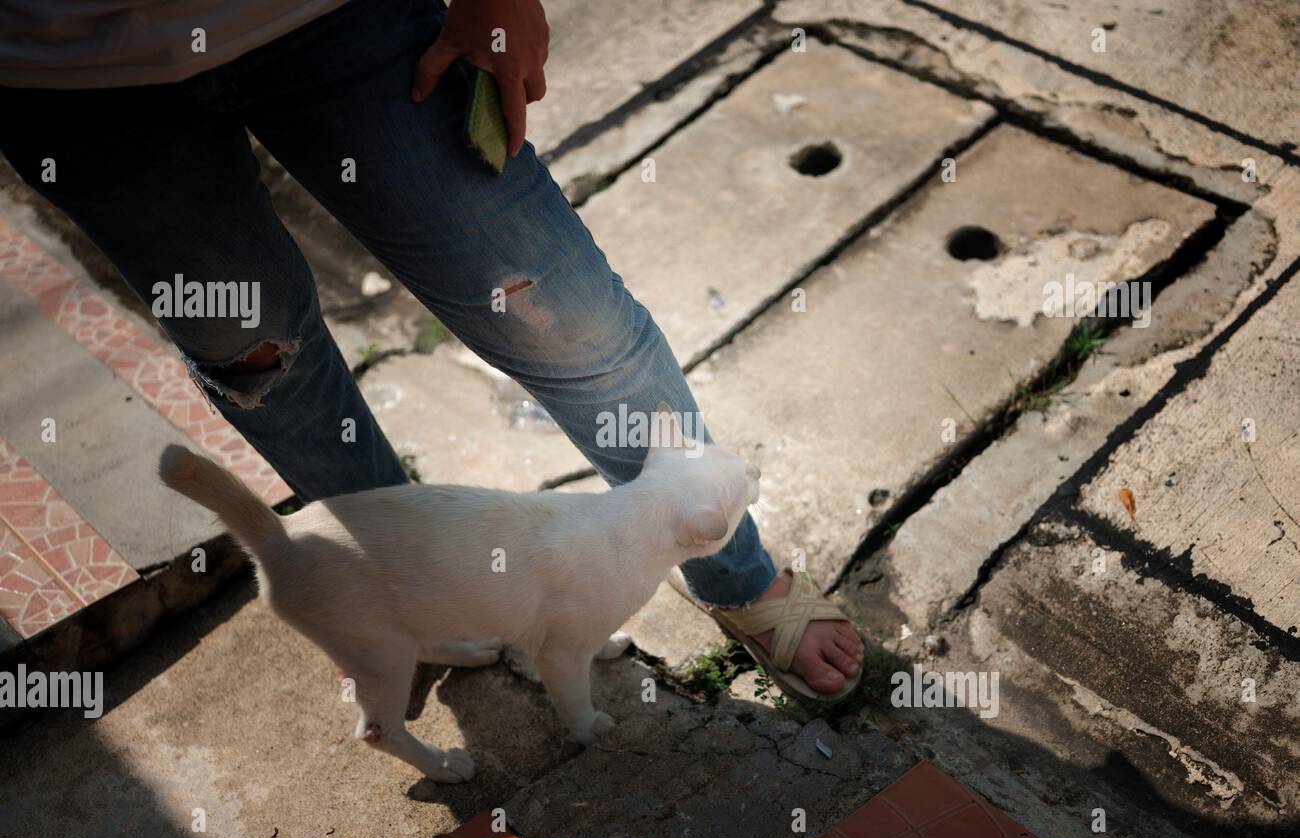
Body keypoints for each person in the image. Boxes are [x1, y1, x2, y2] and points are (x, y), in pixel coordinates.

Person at [0, 0, 864, 700]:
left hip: (337, 18)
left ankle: (737, 574)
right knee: (255, 352)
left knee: (562, 309)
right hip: (66, 74)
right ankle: (402, 590)